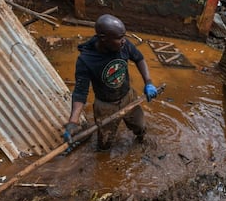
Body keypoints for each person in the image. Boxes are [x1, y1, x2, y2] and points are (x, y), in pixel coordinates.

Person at [64, 14, 158, 151]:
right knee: (104, 145)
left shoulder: (123, 45)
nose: (124, 41)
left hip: (128, 98)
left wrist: (148, 82)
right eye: (119, 38)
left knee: (140, 127)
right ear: (103, 38)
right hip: (105, 106)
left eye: (124, 36)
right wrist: (73, 121)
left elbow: (139, 58)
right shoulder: (86, 60)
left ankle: (141, 142)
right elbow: (80, 92)